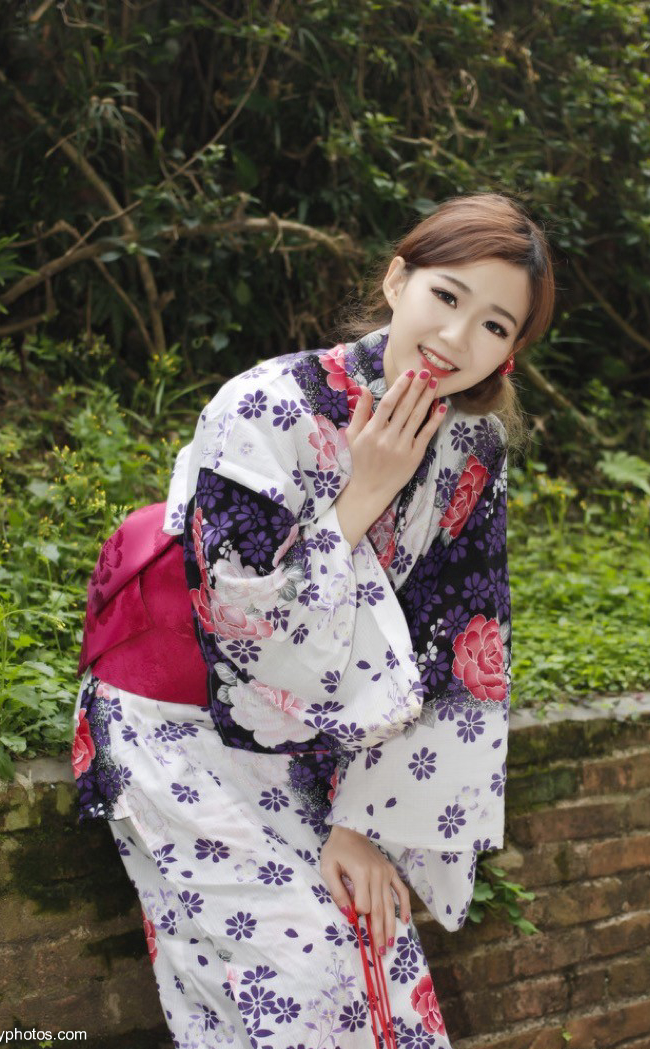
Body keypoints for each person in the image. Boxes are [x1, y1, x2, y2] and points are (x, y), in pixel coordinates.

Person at [71, 192, 555, 1049]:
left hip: (318, 741)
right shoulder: (266, 405)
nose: (454, 338)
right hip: (174, 721)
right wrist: (364, 491)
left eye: (492, 325)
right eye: (445, 296)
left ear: (510, 353)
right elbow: (235, 619)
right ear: (396, 278)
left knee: (377, 970)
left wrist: (362, 823)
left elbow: (462, 643)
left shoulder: (472, 452)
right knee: (296, 978)